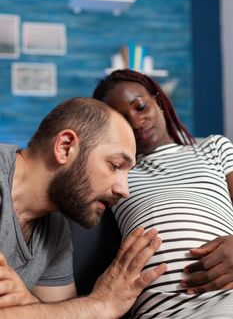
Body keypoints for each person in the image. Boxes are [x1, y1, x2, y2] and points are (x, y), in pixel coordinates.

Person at [0, 97, 167, 318]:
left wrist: (29, 305)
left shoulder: (55, 229)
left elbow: (65, 313)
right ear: (65, 147)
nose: (124, 190)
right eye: (115, 165)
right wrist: (99, 305)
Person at [93, 69, 233, 318]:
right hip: (162, 311)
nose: (136, 122)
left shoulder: (214, 148)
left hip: (226, 297)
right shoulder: (114, 172)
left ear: (158, 100)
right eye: (122, 121)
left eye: (140, 107)